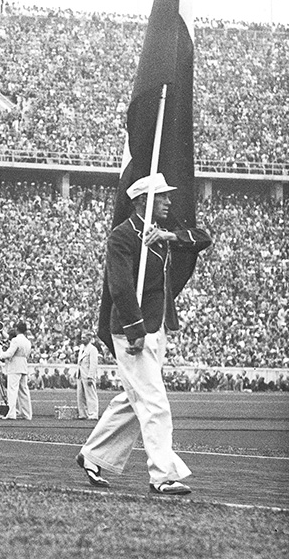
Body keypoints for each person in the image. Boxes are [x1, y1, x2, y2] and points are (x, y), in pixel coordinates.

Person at [77, 173, 212, 495]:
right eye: (162, 197)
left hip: (157, 325)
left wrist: (167, 237)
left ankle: (93, 455)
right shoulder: (122, 236)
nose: (168, 201)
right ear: (143, 201)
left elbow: (203, 238)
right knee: (153, 401)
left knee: (133, 398)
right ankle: (162, 475)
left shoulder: (159, 233)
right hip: (132, 328)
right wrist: (135, 329)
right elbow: (120, 285)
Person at [0, 321, 33, 420]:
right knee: (24, 391)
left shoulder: (16, 340)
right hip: (23, 365)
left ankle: (11, 414)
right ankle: (27, 414)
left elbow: (9, 354)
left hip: (14, 366)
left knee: (12, 391)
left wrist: (0, 352)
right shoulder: (27, 341)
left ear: (17, 329)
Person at [75, 334, 101, 421]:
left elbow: (93, 364)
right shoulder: (82, 348)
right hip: (80, 375)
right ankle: (83, 414)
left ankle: (93, 414)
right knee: (80, 395)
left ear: (89, 339)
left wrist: (91, 376)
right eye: (82, 337)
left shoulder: (93, 349)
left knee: (90, 395)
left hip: (87, 375)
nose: (82, 339)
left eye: (84, 338)